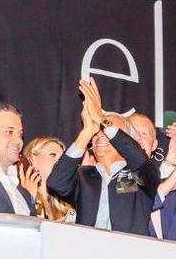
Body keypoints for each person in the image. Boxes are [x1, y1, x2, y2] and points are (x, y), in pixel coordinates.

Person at [46, 78, 160, 235]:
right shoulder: (85, 176)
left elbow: (139, 160)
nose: (100, 136)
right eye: (96, 132)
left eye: (106, 131)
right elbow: (56, 183)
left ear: (125, 139)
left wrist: (101, 119)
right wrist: (87, 131)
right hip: (88, 254)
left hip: (128, 256)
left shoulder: (135, 176)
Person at [21, 136, 75, 222]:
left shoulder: (67, 203)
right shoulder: (19, 194)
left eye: (62, 158)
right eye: (53, 155)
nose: (59, 162)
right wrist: (30, 198)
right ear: (31, 160)